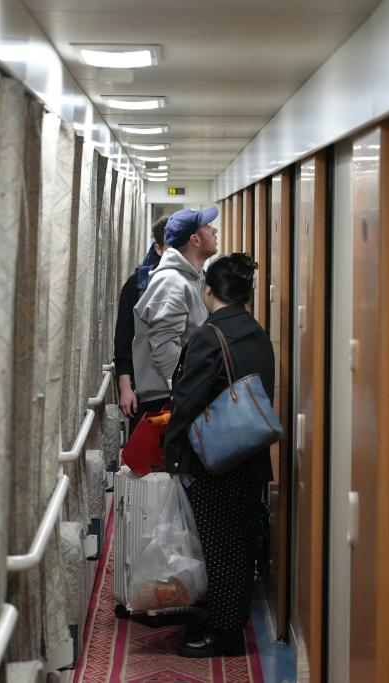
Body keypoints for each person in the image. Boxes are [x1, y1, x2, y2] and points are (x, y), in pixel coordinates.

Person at [162, 252, 275, 658]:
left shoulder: (210, 336)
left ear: (207, 290)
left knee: (219, 546)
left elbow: (187, 400)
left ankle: (225, 633)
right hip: (250, 453)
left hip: (215, 459)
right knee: (238, 543)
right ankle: (227, 619)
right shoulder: (257, 333)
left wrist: (172, 452)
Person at [130, 207, 219, 427]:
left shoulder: (191, 279)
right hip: (167, 401)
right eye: (208, 227)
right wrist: (190, 393)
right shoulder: (172, 282)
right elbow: (165, 353)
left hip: (179, 395)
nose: (214, 231)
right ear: (195, 240)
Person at [113, 216, 169, 422]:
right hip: (147, 393)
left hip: (188, 394)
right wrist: (125, 388)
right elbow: (123, 342)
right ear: (158, 249)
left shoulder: (200, 283)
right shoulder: (138, 285)